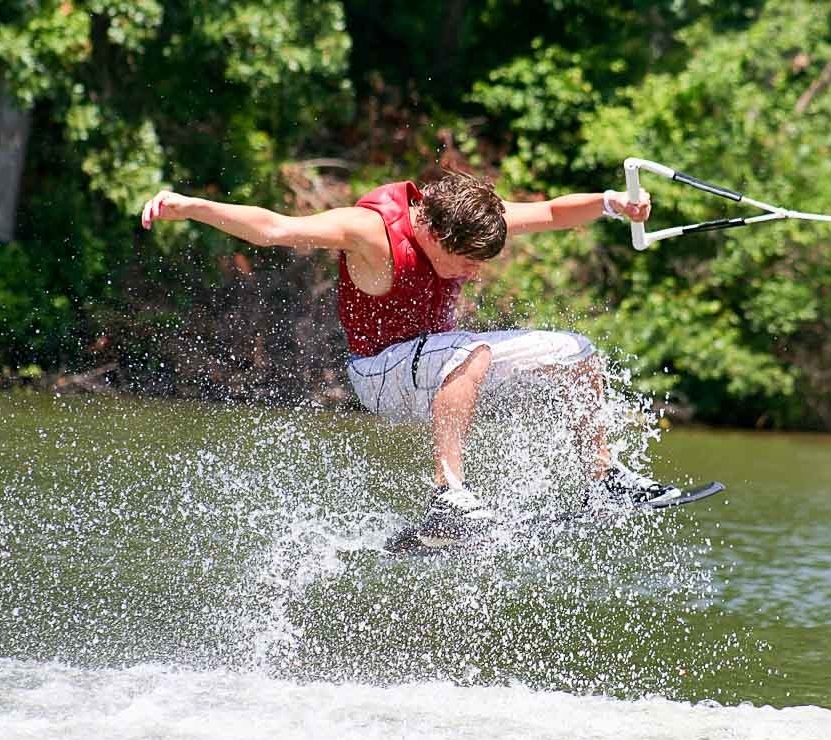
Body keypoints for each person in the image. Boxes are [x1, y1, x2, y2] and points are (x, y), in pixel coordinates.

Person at [140, 171, 669, 548]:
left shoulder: (472, 219)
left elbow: (553, 212)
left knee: (576, 353)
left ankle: (601, 482)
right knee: (469, 348)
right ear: (433, 234)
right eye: (462, 262)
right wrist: (190, 207)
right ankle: (449, 495)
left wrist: (611, 203)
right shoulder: (370, 231)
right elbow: (276, 228)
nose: (471, 272)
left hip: (436, 366)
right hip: (378, 373)